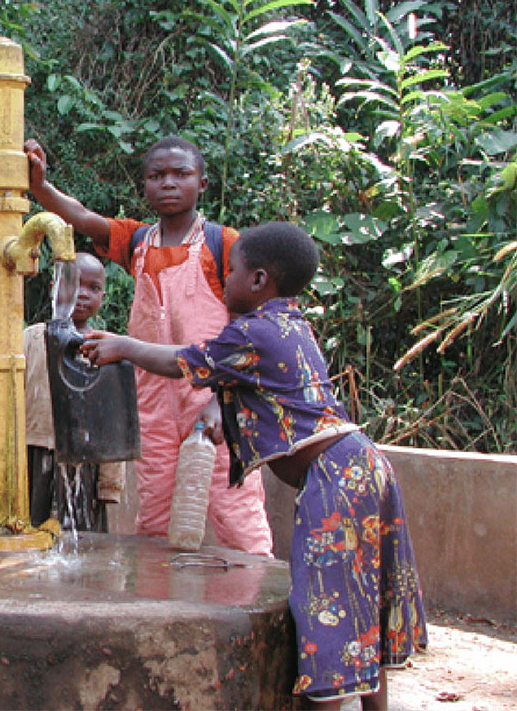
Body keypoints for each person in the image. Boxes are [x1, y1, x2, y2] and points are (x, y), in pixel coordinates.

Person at [79, 221, 427, 709]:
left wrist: (124, 346)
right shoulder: (292, 325)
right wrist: (228, 414)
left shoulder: (251, 330)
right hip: (365, 466)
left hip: (335, 481)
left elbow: (188, 360)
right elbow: (270, 394)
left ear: (259, 280)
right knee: (361, 603)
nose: (227, 282)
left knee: (323, 612)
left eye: (233, 272)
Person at [24, 136, 273, 556]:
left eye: (181, 174)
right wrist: (41, 189)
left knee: (234, 505)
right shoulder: (138, 242)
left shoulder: (224, 244)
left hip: (213, 398)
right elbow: (84, 219)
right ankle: (157, 609)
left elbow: (251, 328)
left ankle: (260, 599)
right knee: (155, 508)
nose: (168, 183)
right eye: (157, 176)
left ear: (203, 183)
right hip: (152, 399)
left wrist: (226, 399)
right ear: (144, 187)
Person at [24, 252, 124, 531]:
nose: (83, 295)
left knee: (84, 539)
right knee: (30, 532)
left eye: (93, 288)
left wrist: (109, 485)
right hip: (34, 455)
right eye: (74, 284)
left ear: (103, 295)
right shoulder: (31, 339)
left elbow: (113, 420)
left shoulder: (105, 347)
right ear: (53, 288)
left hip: (86, 461)